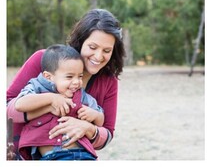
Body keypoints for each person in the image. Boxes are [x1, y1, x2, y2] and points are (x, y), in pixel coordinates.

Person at [7, 9, 125, 160]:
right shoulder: (45, 61)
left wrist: (88, 128)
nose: (98, 56)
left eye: (107, 50)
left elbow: (107, 133)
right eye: (93, 47)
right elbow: (7, 109)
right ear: (81, 42)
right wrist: (50, 103)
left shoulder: (108, 81)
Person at [14, 45, 104, 160]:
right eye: (69, 77)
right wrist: (51, 98)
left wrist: (95, 115)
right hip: (52, 157)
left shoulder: (81, 96)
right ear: (48, 77)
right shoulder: (37, 87)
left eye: (80, 76)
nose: (77, 82)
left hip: (83, 154)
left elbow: (100, 121)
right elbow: (20, 104)